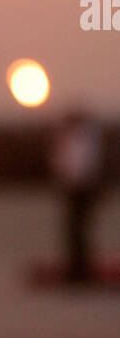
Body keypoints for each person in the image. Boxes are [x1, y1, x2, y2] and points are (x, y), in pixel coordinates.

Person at [48, 109, 104, 284]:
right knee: (72, 230)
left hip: (84, 189)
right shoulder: (68, 137)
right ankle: (75, 268)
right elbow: (61, 163)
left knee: (81, 229)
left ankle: (82, 269)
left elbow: (88, 164)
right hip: (72, 188)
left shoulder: (87, 138)